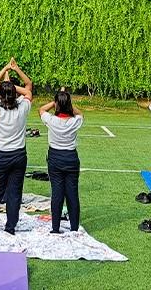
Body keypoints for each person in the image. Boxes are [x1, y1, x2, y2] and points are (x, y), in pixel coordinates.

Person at [0, 57, 33, 236]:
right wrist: (14, 73)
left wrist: (3, 82)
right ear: (15, 95)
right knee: (15, 192)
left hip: (2, 155)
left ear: (1, 95)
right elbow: (28, 87)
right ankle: (10, 226)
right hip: (18, 155)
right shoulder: (23, 108)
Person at [38, 88, 84, 233]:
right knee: (72, 194)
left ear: (57, 105)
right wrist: (66, 102)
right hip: (71, 158)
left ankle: (55, 227)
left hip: (55, 158)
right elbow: (80, 113)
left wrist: (55, 102)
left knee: (57, 193)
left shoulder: (51, 120)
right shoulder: (74, 121)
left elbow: (41, 109)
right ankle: (74, 227)